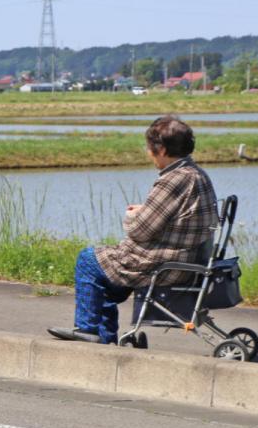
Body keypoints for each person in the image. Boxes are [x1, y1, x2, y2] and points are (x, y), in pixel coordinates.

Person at [47, 116, 217, 345]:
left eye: (150, 149)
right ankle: (103, 339)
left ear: (162, 150)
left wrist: (132, 215)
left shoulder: (172, 180)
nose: (149, 153)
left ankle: (87, 328)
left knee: (87, 259)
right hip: (185, 257)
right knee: (105, 278)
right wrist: (146, 209)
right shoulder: (195, 173)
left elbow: (139, 230)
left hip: (162, 263)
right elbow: (173, 214)